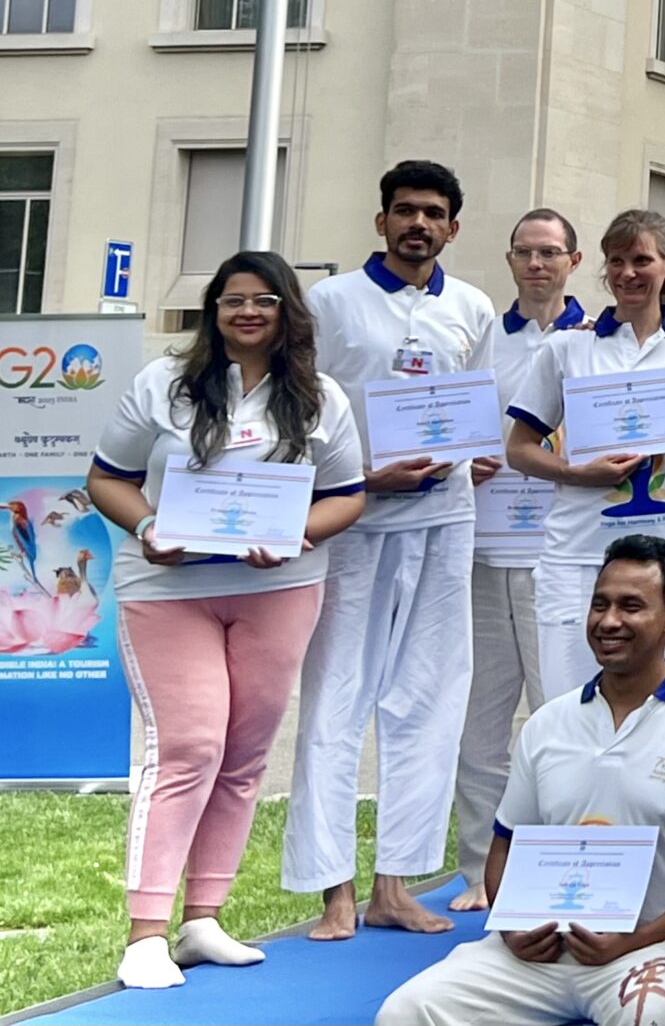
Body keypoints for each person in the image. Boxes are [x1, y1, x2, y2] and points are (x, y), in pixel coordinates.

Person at [86, 253, 367, 990]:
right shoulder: (163, 383)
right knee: (189, 747)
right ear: (213, 310)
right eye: (233, 299)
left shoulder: (320, 397)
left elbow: (347, 494)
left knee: (243, 756)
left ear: (287, 311)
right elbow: (106, 478)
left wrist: (297, 534)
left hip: (279, 589)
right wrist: (148, 526)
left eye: (264, 299)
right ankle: (146, 933)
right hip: (169, 589)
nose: (248, 311)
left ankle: (203, 919)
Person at [375, 534, 665, 1026]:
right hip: (540, 952)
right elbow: (505, 844)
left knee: (650, 1019)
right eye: (600, 605)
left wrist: (634, 940)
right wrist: (512, 929)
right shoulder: (549, 723)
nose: (609, 621)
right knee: (405, 1011)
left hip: (654, 945)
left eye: (631, 606)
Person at [285, 160, 499, 942]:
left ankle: (395, 884)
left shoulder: (473, 307)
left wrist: (472, 451)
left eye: (434, 213)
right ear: (381, 221)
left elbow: (477, 406)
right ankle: (334, 891)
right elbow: (301, 412)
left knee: (430, 699)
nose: (419, 224)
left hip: (444, 520)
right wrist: (363, 478)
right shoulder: (331, 302)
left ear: (453, 226)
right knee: (336, 697)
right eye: (405, 210)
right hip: (356, 521)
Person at [506, 208, 665, 701]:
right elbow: (519, 449)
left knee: (651, 703)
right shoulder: (567, 348)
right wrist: (578, 472)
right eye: (617, 261)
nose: (627, 273)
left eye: (641, 260)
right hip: (577, 550)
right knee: (567, 701)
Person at [451, 207, 586, 911]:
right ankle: (480, 871)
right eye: (525, 252)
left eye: (550, 252)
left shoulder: (597, 341)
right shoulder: (485, 339)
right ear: (509, 261)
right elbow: (453, 421)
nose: (537, 264)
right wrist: (459, 459)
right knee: (480, 722)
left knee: (559, 719)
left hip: (561, 552)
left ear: (574, 261)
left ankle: (555, 868)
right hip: (481, 546)